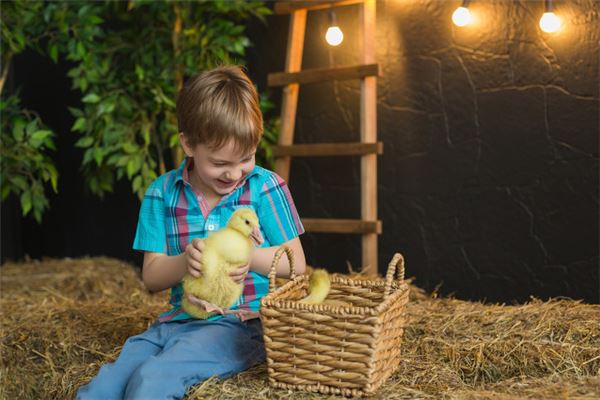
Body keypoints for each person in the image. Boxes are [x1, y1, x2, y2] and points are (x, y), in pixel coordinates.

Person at [77, 65, 306, 399]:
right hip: (175, 322)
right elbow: (152, 278)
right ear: (188, 145)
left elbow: (297, 264)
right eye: (219, 163)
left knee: (151, 383)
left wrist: (250, 257)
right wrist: (186, 260)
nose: (234, 174)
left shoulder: (266, 187)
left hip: (243, 325)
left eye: (246, 158)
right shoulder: (162, 193)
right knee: (100, 389)